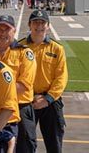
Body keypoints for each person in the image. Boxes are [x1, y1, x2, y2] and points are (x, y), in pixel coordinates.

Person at [0, 15, 36, 153]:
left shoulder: (25, 53)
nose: (3, 33)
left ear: (14, 30)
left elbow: (23, 86)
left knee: (25, 147)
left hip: (20, 108)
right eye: (0, 29)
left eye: (7, 29)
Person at [23, 10, 67, 152]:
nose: (39, 26)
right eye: (35, 22)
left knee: (54, 143)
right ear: (29, 25)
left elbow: (61, 77)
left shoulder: (57, 49)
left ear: (48, 26)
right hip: (27, 101)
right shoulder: (20, 47)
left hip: (51, 101)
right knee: (25, 143)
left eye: (42, 22)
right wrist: (30, 97)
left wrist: (47, 99)